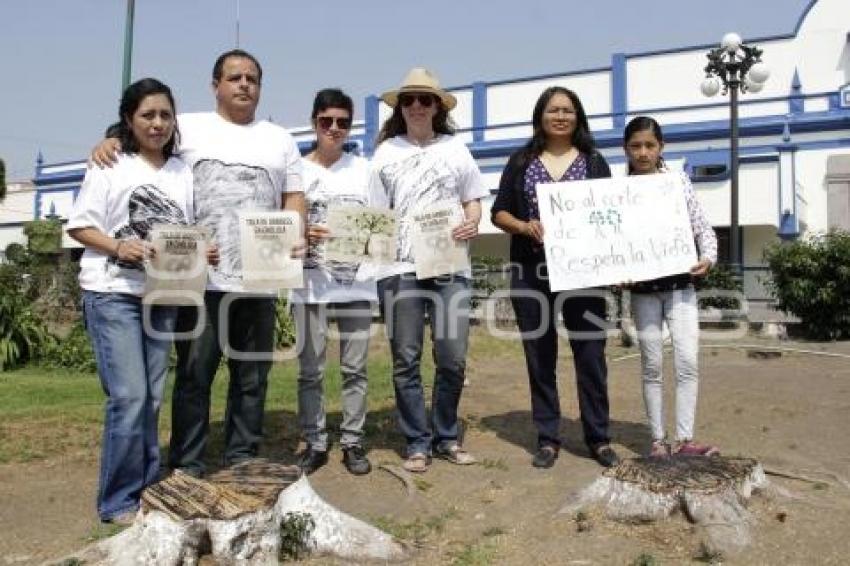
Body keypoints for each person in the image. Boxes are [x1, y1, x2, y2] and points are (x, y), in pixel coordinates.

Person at [92, 49, 305, 477]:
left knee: (251, 377)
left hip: (259, 280)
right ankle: (187, 461)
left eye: (252, 78)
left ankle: (241, 456)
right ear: (215, 86)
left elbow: (293, 197)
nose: (244, 84)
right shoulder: (188, 127)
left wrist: (296, 233)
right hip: (199, 281)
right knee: (194, 375)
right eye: (234, 77)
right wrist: (110, 141)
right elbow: (142, 133)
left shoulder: (279, 139)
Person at [68, 78, 216, 523]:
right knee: (129, 397)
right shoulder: (109, 164)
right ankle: (117, 501)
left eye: (165, 115)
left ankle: (147, 488)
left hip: (161, 296)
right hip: (112, 293)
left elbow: (180, 234)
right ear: (130, 119)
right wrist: (117, 247)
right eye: (148, 115)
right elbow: (79, 226)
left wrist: (199, 251)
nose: (157, 123)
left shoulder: (181, 173)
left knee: (151, 397)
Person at [491, 86, 620, 469]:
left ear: (578, 116)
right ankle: (548, 437)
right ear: (540, 117)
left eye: (567, 110)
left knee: (591, 356)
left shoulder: (595, 162)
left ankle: (598, 438)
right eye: (553, 110)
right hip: (532, 272)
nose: (560, 116)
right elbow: (498, 212)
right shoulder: (521, 161)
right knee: (539, 357)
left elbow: (613, 216)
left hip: (585, 275)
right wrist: (524, 226)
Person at [369, 67, 488, 473]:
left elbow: (473, 199)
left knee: (452, 356)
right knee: (406, 357)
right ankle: (417, 441)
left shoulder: (456, 148)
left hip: (450, 264)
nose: (417, 106)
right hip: (400, 268)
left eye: (425, 99)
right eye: (409, 100)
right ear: (399, 108)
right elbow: (374, 215)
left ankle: (447, 436)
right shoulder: (385, 154)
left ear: (438, 106)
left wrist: (473, 220)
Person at [623, 116, 719, 457]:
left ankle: (685, 438)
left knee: (687, 360)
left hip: (680, 286)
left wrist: (707, 257)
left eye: (649, 145)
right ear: (626, 149)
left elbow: (702, 227)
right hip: (643, 291)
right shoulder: (617, 192)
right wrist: (618, 271)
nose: (643, 152)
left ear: (661, 147)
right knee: (651, 364)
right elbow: (615, 243)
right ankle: (658, 440)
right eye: (636, 146)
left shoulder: (678, 183)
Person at [290, 89, 374, 475]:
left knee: (355, 368)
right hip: (309, 284)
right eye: (327, 121)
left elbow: (380, 225)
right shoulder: (296, 171)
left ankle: (353, 442)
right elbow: (281, 225)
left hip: (356, 285)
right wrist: (303, 233)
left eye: (342, 122)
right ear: (314, 123)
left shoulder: (365, 170)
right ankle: (316, 440)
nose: (334, 129)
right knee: (311, 369)